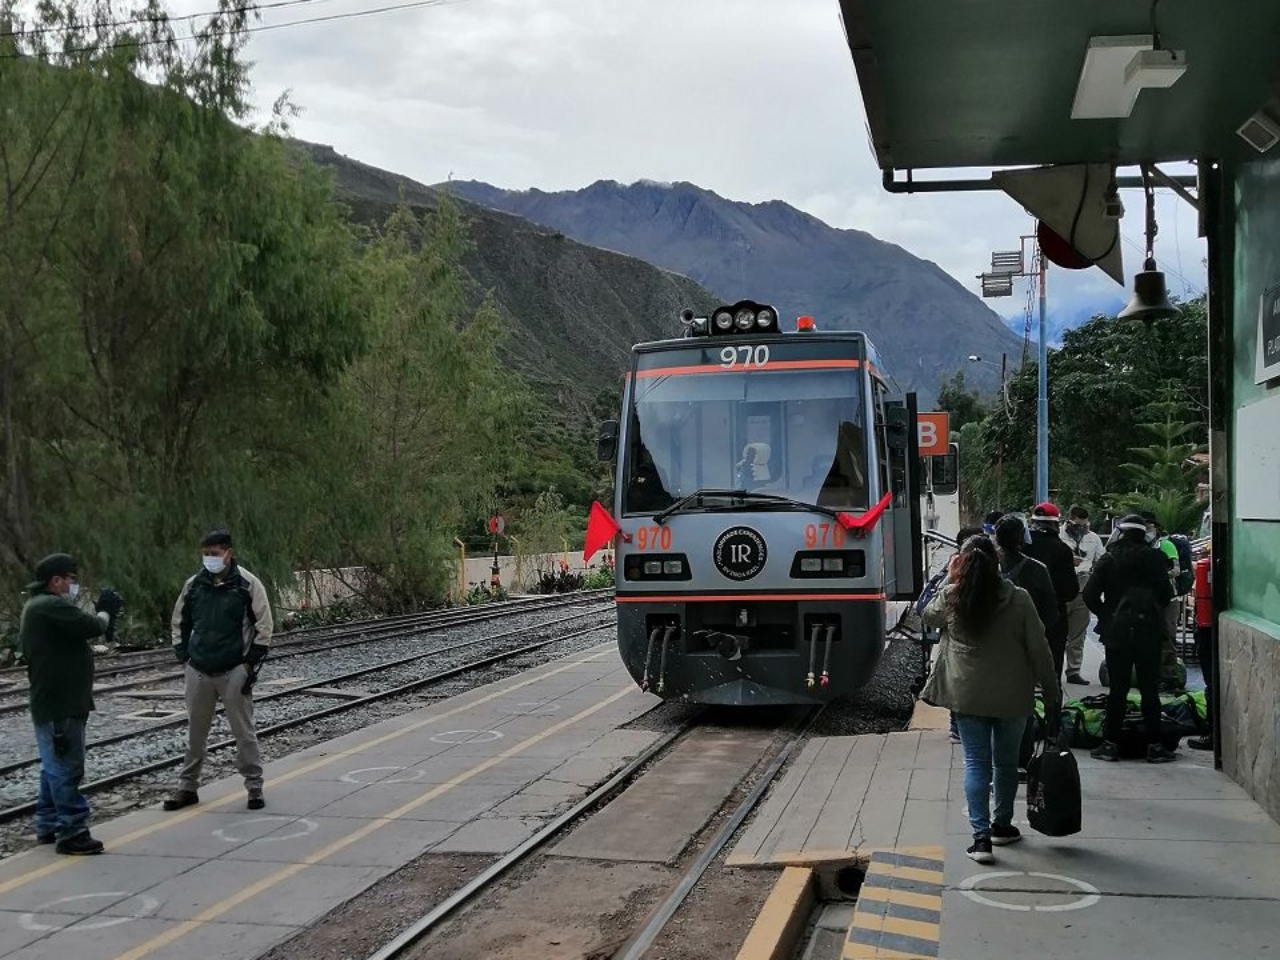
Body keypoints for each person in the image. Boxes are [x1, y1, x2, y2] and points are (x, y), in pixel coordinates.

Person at [922, 536, 1059, 864]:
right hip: (1013, 696)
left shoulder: (954, 596)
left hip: (968, 695)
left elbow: (926, 615)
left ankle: (981, 839)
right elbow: (1040, 650)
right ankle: (1002, 825)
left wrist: (949, 578)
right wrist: (1052, 693)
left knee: (976, 764)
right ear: (998, 563)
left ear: (961, 563)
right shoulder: (1019, 599)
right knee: (1006, 763)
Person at [20, 554, 122, 854]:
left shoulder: (38, 606)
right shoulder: (49, 605)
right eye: (70, 579)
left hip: (57, 701)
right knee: (66, 766)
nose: (73, 586)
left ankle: (48, 823)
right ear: (56, 581)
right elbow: (92, 625)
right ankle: (72, 830)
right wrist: (105, 612)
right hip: (60, 704)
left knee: (53, 766)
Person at [165, 530, 273, 811]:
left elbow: (264, 624)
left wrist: (249, 663)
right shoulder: (194, 585)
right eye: (206, 553)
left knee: (244, 733)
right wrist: (184, 656)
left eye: (215, 553)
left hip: (233, 669)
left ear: (229, 553)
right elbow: (179, 620)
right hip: (199, 669)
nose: (210, 558)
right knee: (195, 733)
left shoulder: (247, 584)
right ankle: (187, 787)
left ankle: (254, 787)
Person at [1083, 514, 1177, 763]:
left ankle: (1111, 744)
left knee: (1118, 690)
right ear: (1143, 533)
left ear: (1121, 532)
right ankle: (1155, 746)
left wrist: (1108, 615)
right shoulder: (1156, 558)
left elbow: (1090, 594)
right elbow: (1167, 595)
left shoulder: (1109, 558)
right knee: (1149, 689)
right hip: (1149, 633)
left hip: (1118, 634)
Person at [1025, 503, 1079, 679]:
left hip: (1022, 615)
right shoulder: (1062, 550)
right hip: (1053, 618)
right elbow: (1071, 591)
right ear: (1056, 524)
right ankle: (1052, 705)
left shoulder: (1021, 547)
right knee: (1052, 670)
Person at [1061, 506, 1107, 684]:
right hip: (1062, 590)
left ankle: (1073, 670)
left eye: (1084, 525)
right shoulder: (1059, 536)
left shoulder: (1093, 538)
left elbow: (1101, 561)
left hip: (1082, 591)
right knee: (1056, 633)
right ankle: (1053, 669)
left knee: (1077, 634)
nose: (1081, 528)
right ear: (1069, 520)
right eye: (1077, 525)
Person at [1188, 552, 1214, 751]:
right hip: (1208, 624)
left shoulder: (1207, 566)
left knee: (1211, 682)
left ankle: (1212, 733)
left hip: (1207, 628)